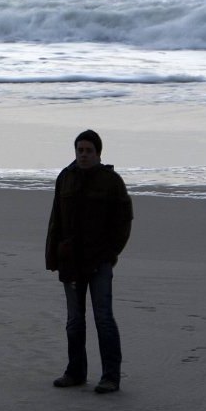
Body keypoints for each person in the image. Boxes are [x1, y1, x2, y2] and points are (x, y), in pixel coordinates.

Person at [44, 129, 132, 393]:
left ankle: (110, 377)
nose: (83, 155)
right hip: (71, 261)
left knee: (103, 318)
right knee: (74, 320)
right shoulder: (65, 178)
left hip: (100, 261)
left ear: (98, 153)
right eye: (79, 150)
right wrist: (53, 256)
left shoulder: (111, 181)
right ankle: (75, 372)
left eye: (88, 151)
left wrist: (110, 254)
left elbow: (124, 221)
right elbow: (55, 220)